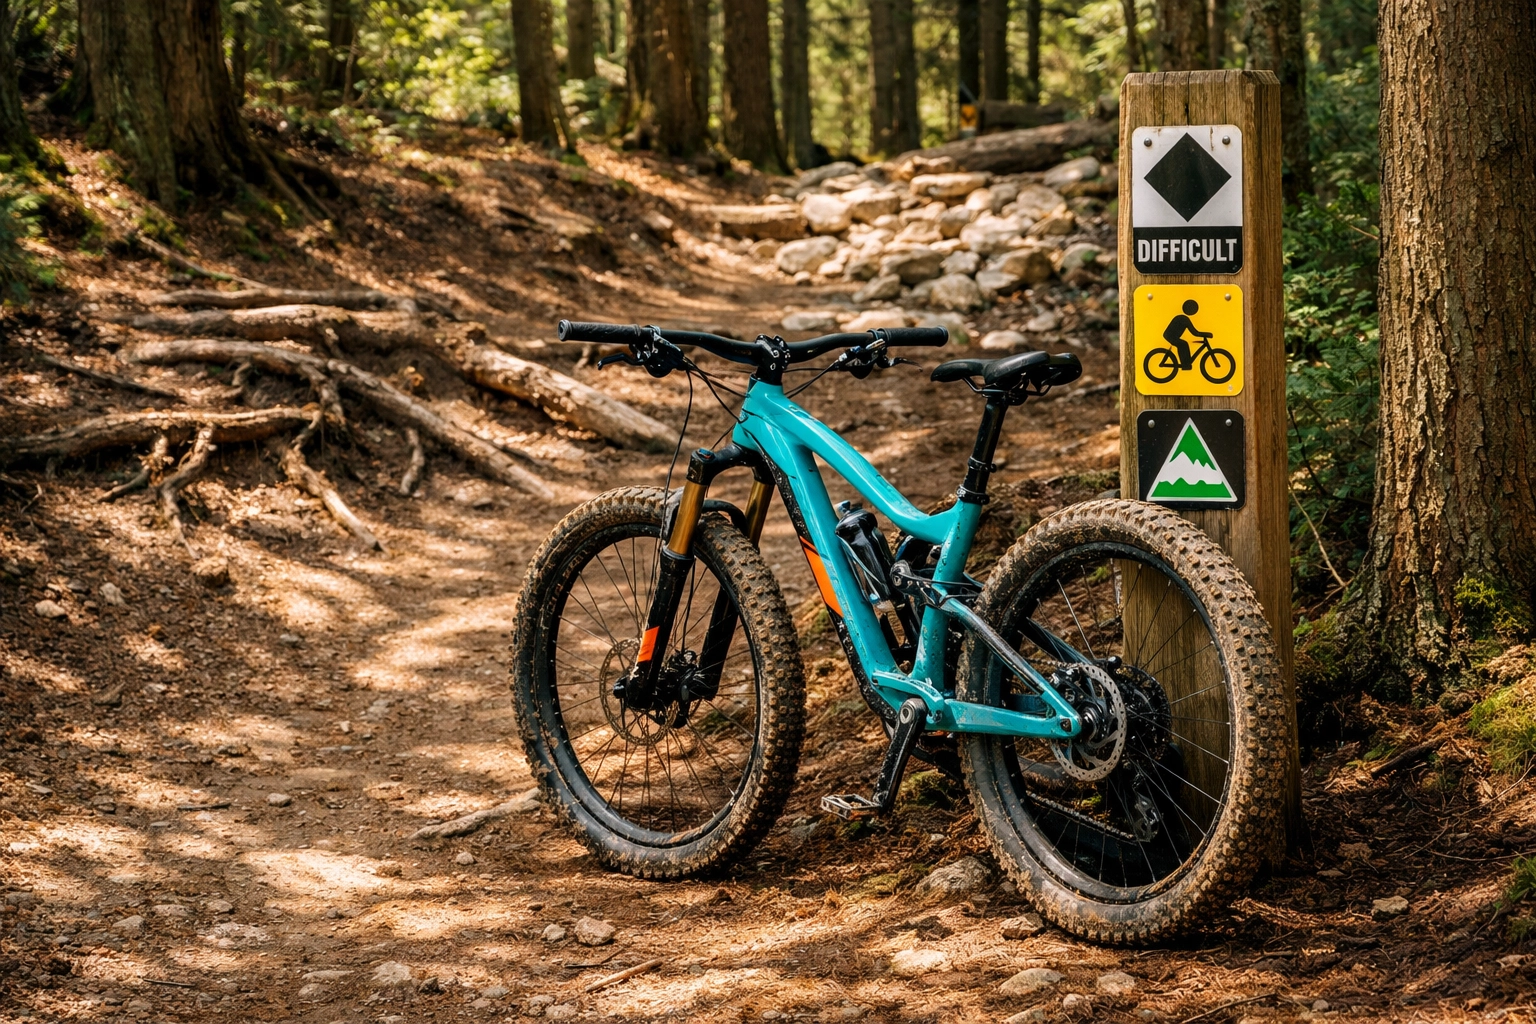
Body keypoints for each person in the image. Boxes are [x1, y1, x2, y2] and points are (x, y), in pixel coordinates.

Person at [1161, 299, 1213, 369]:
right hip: (1170, 336)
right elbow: (1195, 333)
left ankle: (1186, 364)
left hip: (1170, 336)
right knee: (1183, 344)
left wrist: (1205, 334)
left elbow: (1194, 332)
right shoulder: (1184, 319)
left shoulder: (1182, 318)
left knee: (1183, 344)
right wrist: (1206, 334)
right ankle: (1185, 365)